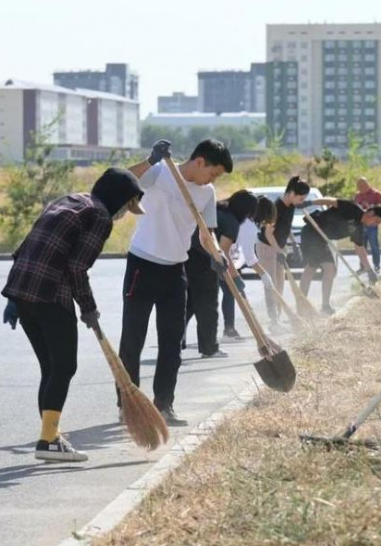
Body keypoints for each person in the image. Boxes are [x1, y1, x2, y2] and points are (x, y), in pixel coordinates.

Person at [2, 167, 145, 463]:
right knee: (65, 367)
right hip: (50, 295)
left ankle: (50, 436)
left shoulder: (68, 200)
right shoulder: (99, 216)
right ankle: (49, 440)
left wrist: (13, 298)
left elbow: (24, 247)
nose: (124, 214)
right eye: (127, 206)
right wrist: (88, 307)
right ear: (119, 198)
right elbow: (77, 268)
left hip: (23, 291)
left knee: (51, 368)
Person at [118, 139, 233, 427]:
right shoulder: (161, 172)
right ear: (199, 162)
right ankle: (128, 403)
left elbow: (206, 233)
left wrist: (217, 255)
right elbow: (121, 181)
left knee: (171, 343)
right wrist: (150, 159)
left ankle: (164, 404)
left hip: (175, 271)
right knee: (133, 339)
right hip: (142, 264)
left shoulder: (207, 192)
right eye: (213, 173)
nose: (213, 180)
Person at [184, 189, 257, 358]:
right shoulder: (231, 222)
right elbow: (222, 253)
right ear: (246, 211)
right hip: (205, 261)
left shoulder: (217, 210)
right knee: (208, 306)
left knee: (191, 303)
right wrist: (236, 278)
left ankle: (177, 339)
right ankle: (209, 348)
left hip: (187, 256)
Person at [298, 197, 381, 315]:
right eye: (376, 221)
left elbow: (360, 250)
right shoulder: (352, 208)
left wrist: (369, 270)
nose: (374, 225)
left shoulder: (359, 228)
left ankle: (324, 306)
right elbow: (330, 201)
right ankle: (303, 304)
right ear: (371, 213)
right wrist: (309, 202)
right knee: (313, 267)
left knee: (328, 269)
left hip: (321, 239)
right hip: (312, 231)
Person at [222, 196, 280, 338]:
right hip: (223, 260)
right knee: (231, 291)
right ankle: (229, 330)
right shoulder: (249, 227)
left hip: (226, 259)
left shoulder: (245, 222)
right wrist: (263, 274)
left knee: (227, 292)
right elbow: (249, 256)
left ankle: (229, 329)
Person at [256, 176, 310, 320]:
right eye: (301, 198)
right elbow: (268, 233)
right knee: (271, 284)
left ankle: (279, 315)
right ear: (292, 193)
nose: (301, 202)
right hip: (267, 247)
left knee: (280, 283)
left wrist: (294, 243)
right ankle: (273, 319)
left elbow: (286, 226)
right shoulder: (276, 207)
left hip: (279, 247)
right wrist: (278, 250)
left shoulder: (291, 206)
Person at [354, 177, 381, 274]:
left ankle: (376, 266)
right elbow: (354, 208)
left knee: (374, 245)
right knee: (361, 246)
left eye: (363, 185)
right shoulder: (357, 196)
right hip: (360, 225)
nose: (362, 188)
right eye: (359, 186)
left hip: (372, 224)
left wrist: (369, 206)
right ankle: (363, 266)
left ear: (368, 184)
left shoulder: (376, 194)